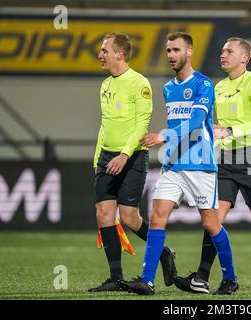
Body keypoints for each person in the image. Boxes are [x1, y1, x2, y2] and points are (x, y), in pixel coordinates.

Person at [117, 32, 238, 296]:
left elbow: (195, 124)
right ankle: (147, 280)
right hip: (173, 165)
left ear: (190, 52)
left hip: (200, 165)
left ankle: (230, 278)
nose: (171, 55)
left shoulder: (203, 85)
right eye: (168, 50)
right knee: (157, 218)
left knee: (211, 224)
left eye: (176, 50)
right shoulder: (168, 88)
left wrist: (163, 136)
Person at [174, 37, 251, 294]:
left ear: (244, 58)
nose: (223, 54)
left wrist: (229, 130)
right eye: (222, 50)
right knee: (213, 219)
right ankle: (203, 277)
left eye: (229, 51)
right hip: (225, 159)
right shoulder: (219, 87)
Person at [89, 32, 177, 292]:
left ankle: (163, 253)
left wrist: (124, 155)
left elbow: (142, 124)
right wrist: (98, 157)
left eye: (105, 50)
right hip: (107, 156)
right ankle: (115, 278)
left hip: (132, 156)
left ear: (119, 53)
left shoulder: (139, 83)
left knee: (129, 217)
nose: (100, 54)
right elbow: (105, 124)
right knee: (103, 214)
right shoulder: (105, 85)